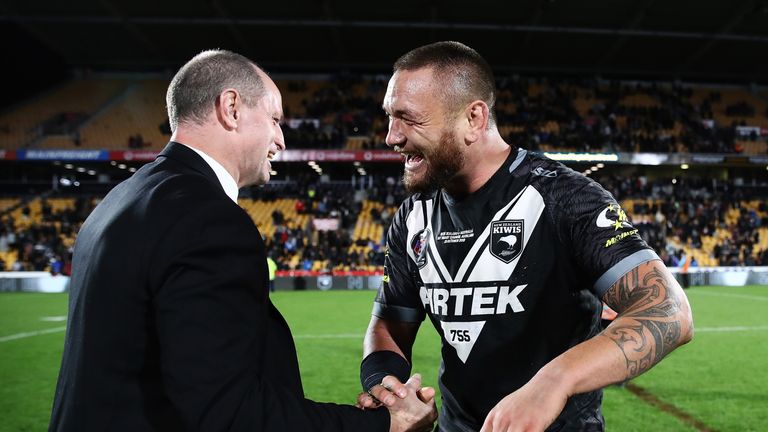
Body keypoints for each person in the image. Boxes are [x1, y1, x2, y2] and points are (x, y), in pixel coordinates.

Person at [49, 49, 436, 432]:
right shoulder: (208, 219)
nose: (281, 139)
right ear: (231, 108)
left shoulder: (119, 199)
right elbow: (229, 413)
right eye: (274, 120)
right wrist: (382, 425)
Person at [357, 41, 693, 431]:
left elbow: (669, 310)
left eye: (408, 119)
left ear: (474, 118)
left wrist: (554, 382)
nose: (390, 137)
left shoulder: (564, 199)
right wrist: (388, 388)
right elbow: (389, 324)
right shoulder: (413, 216)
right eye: (388, 117)